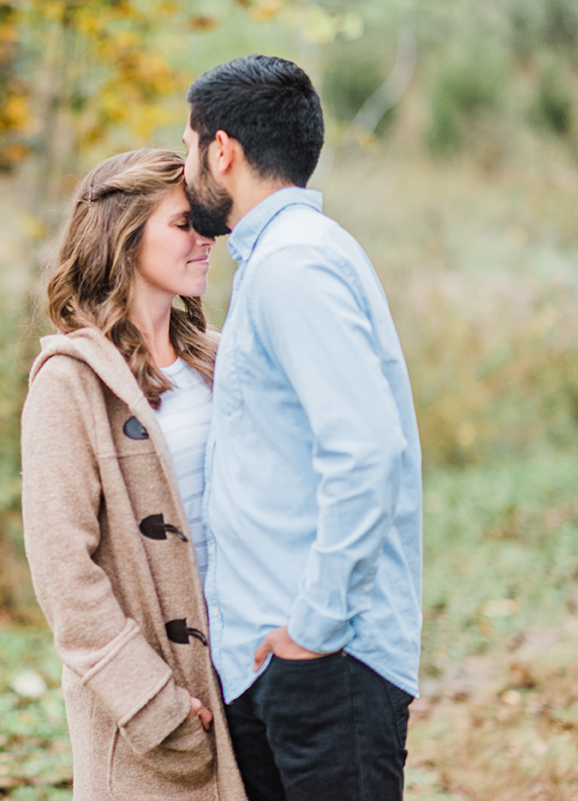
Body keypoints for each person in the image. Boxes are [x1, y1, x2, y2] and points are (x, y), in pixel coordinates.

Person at [181, 55, 424, 801]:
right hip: (285, 666)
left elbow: (367, 452)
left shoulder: (294, 266)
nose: (189, 167)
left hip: (323, 666)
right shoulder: (279, 261)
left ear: (222, 150)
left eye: (189, 147)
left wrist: (312, 632)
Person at [20, 148, 246, 800]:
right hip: (153, 718)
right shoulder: (70, 382)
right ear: (124, 235)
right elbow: (64, 570)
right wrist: (153, 705)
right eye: (185, 223)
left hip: (241, 684)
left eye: (206, 222)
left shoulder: (218, 358)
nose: (207, 238)